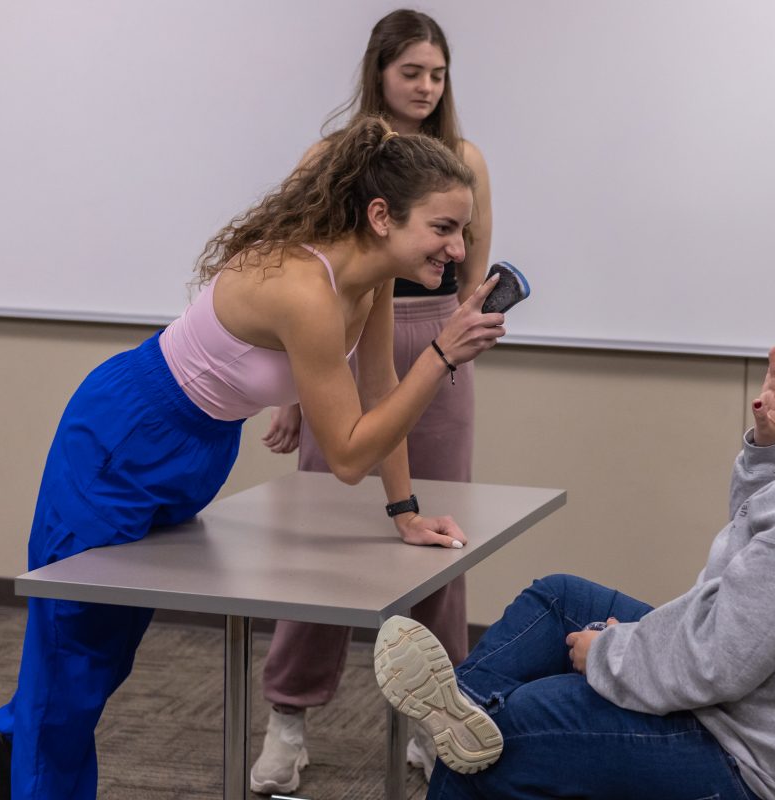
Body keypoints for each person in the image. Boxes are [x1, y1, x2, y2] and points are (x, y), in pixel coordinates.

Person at [0, 115, 507, 800]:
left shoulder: (371, 280)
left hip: (200, 448)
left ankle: (9, 743)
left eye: (464, 229)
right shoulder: (307, 290)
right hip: (122, 435)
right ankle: (24, 767)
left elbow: (379, 391)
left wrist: (404, 510)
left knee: (105, 648)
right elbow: (344, 454)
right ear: (381, 217)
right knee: (72, 650)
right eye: (445, 227)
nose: (461, 247)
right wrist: (442, 354)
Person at [373, 303, 775, 800]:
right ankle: (457, 712)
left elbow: (715, 663)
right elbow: (766, 556)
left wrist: (610, 652)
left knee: (502, 739)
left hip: (739, 755)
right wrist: (768, 449)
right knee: (556, 598)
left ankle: (464, 730)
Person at [252, 9, 492, 794]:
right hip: (345, 345)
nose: (426, 86)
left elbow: (467, 274)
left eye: (438, 73)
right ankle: (288, 717)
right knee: (328, 538)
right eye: (411, 71)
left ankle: (436, 714)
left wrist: (453, 349)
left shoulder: (463, 160)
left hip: (436, 349)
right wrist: (292, 397)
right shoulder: (335, 159)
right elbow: (299, 276)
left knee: (436, 534)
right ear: (378, 73)